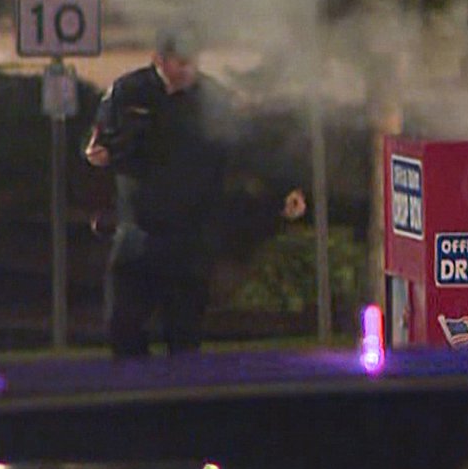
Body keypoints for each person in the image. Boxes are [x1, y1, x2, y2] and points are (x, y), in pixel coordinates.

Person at [85, 26, 306, 357]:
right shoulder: (130, 93)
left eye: (192, 62)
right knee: (124, 330)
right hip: (138, 235)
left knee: (184, 336)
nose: (187, 69)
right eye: (179, 61)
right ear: (159, 60)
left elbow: (247, 150)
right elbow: (102, 141)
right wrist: (98, 156)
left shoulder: (213, 100)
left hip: (191, 239)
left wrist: (283, 190)